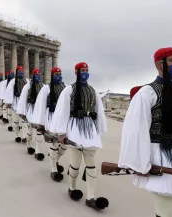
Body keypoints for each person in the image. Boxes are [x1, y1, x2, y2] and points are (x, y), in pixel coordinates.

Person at [118, 47, 172, 217]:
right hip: (159, 153)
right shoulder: (147, 93)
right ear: (159, 65)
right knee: (165, 200)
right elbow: (136, 129)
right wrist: (141, 163)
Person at [49, 62, 109, 210]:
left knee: (91, 165)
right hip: (75, 127)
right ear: (76, 72)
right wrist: (61, 133)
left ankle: (90, 197)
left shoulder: (93, 90)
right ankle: (72, 187)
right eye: (83, 70)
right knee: (75, 163)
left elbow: (98, 111)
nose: (85, 73)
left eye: (87, 70)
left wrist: (98, 131)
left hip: (89, 129)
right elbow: (62, 111)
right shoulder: (69, 90)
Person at [32, 67, 67, 180]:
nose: (59, 76)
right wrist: (40, 123)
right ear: (52, 75)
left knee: (65, 145)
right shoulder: (46, 89)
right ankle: (53, 169)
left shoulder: (65, 88)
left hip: (62, 118)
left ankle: (56, 160)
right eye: (56, 74)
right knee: (55, 143)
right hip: (51, 118)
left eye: (60, 74)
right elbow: (41, 106)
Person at [16, 68, 45, 160]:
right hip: (31, 109)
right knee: (31, 130)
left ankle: (38, 150)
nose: (38, 76)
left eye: (39, 74)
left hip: (39, 110)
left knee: (39, 131)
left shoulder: (43, 86)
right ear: (33, 75)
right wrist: (22, 112)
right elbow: (23, 100)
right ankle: (28, 144)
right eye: (36, 74)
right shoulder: (27, 86)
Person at [3, 66, 29, 141]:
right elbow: (9, 92)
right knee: (16, 121)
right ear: (17, 72)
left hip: (24, 104)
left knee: (24, 121)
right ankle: (17, 135)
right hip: (15, 103)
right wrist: (8, 102)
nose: (21, 72)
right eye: (20, 71)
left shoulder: (27, 81)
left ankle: (24, 136)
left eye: (22, 71)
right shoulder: (13, 81)